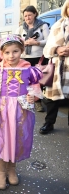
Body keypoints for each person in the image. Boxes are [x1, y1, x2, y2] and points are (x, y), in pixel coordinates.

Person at [0, 35, 42, 190]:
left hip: (21, 112)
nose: (11, 56)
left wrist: (33, 96)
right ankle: (0, 171)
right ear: (2, 53)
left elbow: (36, 90)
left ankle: (12, 169)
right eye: (7, 52)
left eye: (15, 51)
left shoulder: (30, 71)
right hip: (1, 112)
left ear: (21, 51)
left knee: (16, 140)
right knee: (0, 140)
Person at [41, 0, 69, 134]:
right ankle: (49, 123)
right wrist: (57, 49)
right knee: (52, 98)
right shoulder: (58, 25)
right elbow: (47, 49)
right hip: (57, 66)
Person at [16, 5, 50, 112]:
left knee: (38, 81)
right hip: (24, 58)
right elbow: (16, 42)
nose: (27, 18)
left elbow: (49, 41)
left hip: (39, 58)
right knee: (25, 80)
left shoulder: (42, 26)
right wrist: (24, 43)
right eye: (25, 16)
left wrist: (36, 42)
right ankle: (25, 100)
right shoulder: (21, 28)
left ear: (35, 14)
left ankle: (37, 101)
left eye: (29, 15)